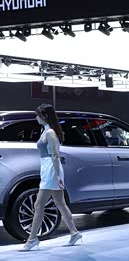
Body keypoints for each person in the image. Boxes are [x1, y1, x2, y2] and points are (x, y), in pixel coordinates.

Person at [21, 105, 83, 251]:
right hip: (48, 169)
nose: (36, 118)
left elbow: (55, 155)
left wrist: (57, 176)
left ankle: (32, 239)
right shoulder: (47, 130)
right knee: (60, 203)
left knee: (39, 205)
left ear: (45, 116)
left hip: (51, 170)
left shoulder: (50, 132)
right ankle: (74, 233)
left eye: (38, 115)